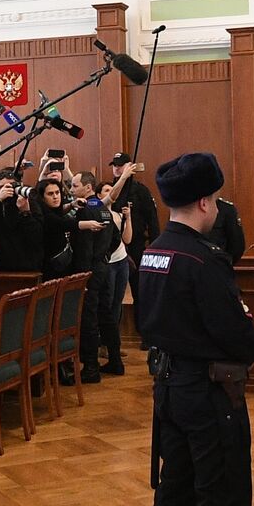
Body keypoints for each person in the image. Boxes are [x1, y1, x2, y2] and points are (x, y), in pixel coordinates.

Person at [138, 152, 254, 506]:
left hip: (168, 387)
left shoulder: (154, 252)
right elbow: (239, 335)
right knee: (224, 493)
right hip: (209, 391)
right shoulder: (203, 258)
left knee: (175, 485)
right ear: (205, 201)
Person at [71, 172, 119, 382]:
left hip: (89, 270)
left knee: (89, 318)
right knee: (106, 315)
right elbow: (116, 240)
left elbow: (84, 248)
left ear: (87, 187)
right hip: (103, 267)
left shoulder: (86, 211)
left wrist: (83, 274)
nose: (72, 190)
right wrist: (105, 256)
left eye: (74, 186)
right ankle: (115, 361)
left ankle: (91, 367)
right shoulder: (104, 209)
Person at [109, 152, 160, 339]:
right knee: (112, 296)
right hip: (114, 247)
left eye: (120, 165)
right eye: (114, 165)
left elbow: (153, 221)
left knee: (141, 292)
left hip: (137, 247)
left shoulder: (141, 191)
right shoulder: (110, 190)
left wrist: (153, 247)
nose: (116, 168)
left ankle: (145, 334)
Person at [99, 180, 133, 372]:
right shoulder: (98, 210)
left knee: (117, 304)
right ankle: (106, 346)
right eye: (105, 190)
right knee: (108, 305)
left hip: (121, 261)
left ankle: (114, 346)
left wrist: (129, 218)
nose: (111, 193)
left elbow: (127, 239)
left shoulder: (118, 215)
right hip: (108, 264)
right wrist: (125, 175)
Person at [0, 170, 42, 272]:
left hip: (28, 268)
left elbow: (38, 236)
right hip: (1, 269)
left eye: (10, 186)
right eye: (1, 187)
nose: (6, 190)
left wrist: (25, 212)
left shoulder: (29, 202)